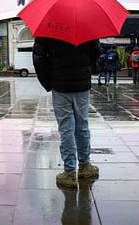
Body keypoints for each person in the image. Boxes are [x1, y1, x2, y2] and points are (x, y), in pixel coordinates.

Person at [33, 36, 101, 189]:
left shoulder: (46, 29)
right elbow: (96, 52)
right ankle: (85, 165)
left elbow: (39, 58)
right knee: (82, 125)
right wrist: (84, 68)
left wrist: (48, 82)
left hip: (60, 84)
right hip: (82, 84)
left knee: (66, 128)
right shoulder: (87, 25)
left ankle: (69, 172)